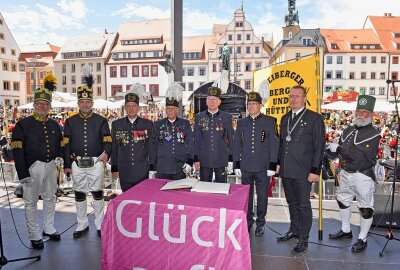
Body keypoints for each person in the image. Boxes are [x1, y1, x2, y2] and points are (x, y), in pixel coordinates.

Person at [11, 79, 63, 249]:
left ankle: (49, 227)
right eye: (39, 103)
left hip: (50, 166)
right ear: (34, 105)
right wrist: (23, 173)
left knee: (50, 198)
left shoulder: (55, 124)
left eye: (46, 104)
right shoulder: (23, 124)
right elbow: (17, 150)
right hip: (32, 167)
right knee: (31, 202)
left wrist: (60, 161)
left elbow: (60, 146)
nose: (42, 106)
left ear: (50, 106)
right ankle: (34, 234)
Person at [327, 95, 380, 253]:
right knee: (343, 200)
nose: (360, 115)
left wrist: (338, 149)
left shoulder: (374, 134)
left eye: (364, 112)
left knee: (365, 207)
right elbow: (342, 153)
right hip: (345, 172)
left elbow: (362, 157)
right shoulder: (348, 129)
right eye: (358, 111)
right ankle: (346, 230)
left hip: (362, 175)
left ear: (371, 114)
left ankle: (362, 238)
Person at [276, 85, 326, 253]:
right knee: (291, 202)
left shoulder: (315, 118)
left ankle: (303, 238)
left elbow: (319, 146)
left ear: (305, 98)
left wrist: (315, 170)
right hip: (287, 168)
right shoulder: (285, 118)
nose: (293, 99)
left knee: (303, 205)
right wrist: (278, 163)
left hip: (304, 171)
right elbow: (282, 144)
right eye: (291, 96)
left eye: (297, 96)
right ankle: (294, 230)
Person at [63, 70, 111, 238]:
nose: (85, 104)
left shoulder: (101, 120)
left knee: (98, 192)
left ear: (92, 103)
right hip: (76, 163)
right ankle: (82, 224)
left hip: (96, 161)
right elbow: (66, 143)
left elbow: (108, 139)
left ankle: (99, 223)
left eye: (87, 101)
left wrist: (106, 154)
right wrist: (67, 165)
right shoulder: (70, 121)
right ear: (78, 103)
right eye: (82, 101)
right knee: (79, 193)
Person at [233, 91, 279, 236]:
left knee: (262, 196)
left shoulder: (270, 121)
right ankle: (247, 220)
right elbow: (236, 145)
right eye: (249, 104)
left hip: (263, 166)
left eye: (254, 104)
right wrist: (236, 164)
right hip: (246, 165)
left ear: (260, 105)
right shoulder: (241, 123)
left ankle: (260, 222)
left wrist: (272, 165)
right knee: (247, 195)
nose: (251, 106)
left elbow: (274, 144)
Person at [111, 85, 153, 191]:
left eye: (134, 106)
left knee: (141, 200)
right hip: (124, 170)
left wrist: (153, 167)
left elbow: (151, 147)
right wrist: (114, 166)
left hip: (142, 170)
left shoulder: (147, 124)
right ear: (125, 108)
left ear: (138, 107)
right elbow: (114, 147)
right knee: (126, 200)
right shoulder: (117, 124)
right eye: (128, 106)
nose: (131, 109)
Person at [151, 83, 194, 180]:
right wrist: (152, 166)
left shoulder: (185, 124)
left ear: (177, 110)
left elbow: (190, 143)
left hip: (179, 167)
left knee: (178, 193)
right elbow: (153, 145)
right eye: (168, 109)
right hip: (162, 167)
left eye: (172, 109)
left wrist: (189, 161)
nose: (170, 111)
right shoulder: (158, 124)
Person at [193, 86, 233, 183]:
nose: (212, 102)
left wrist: (231, 159)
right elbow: (196, 139)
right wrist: (196, 158)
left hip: (221, 159)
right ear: (206, 101)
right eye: (209, 99)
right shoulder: (199, 117)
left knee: (221, 188)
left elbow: (231, 139)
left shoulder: (227, 117)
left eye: (215, 99)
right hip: (204, 159)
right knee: (204, 187)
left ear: (219, 102)